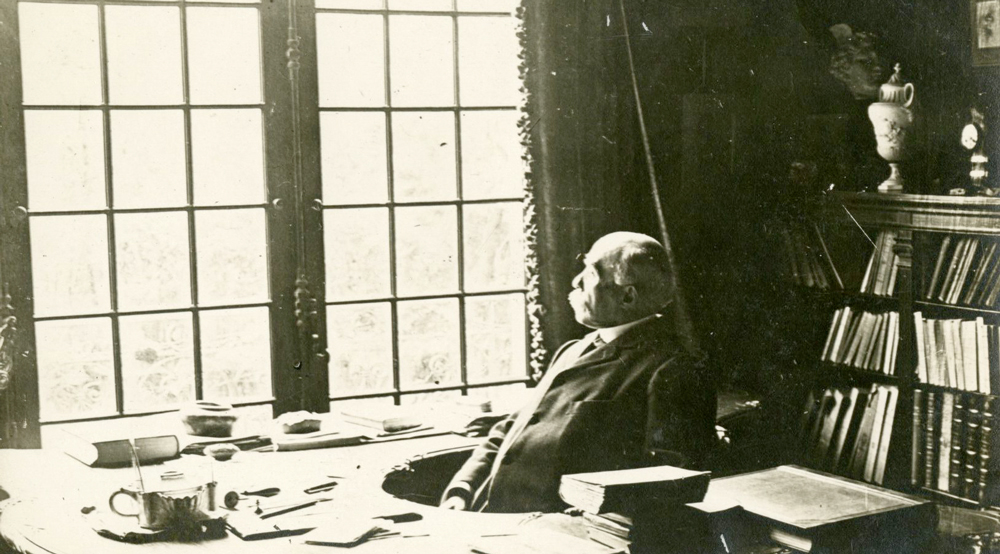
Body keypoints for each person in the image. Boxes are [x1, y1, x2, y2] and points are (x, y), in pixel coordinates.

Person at [441, 231, 717, 513]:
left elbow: (670, 480)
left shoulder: (672, 368)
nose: (576, 281)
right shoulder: (573, 350)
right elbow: (510, 429)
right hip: (487, 518)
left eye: (591, 272)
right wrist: (462, 488)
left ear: (628, 296)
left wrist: (591, 517)